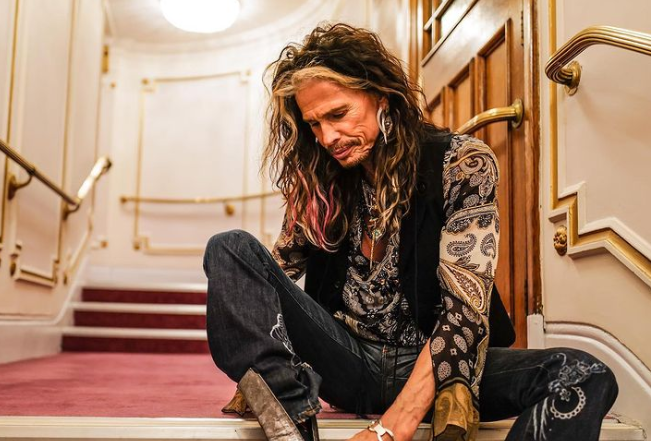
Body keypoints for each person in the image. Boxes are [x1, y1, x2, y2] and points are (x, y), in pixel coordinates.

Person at [203, 23, 618, 441]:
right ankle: (290, 427)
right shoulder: (319, 181)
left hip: (442, 367)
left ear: (381, 97)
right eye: (314, 124)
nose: (327, 137)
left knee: (584, 374)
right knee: (230, 248)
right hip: (346, 362)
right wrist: (265, 359)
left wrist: (393, 426)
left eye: (338, 114)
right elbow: (270, 272)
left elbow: (465, 305)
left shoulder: (463, 164)